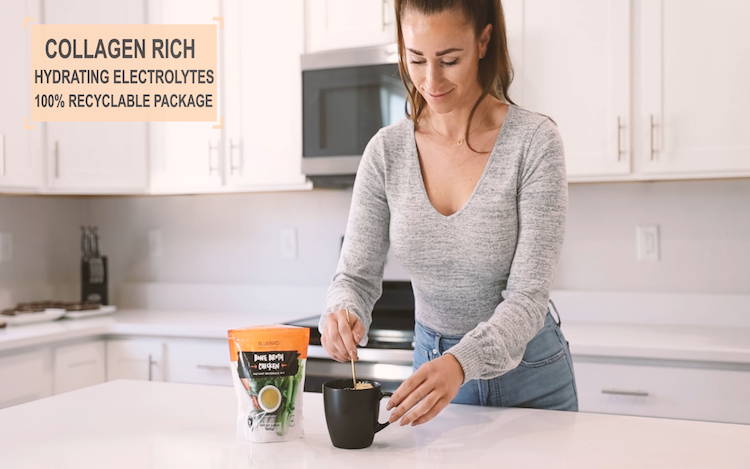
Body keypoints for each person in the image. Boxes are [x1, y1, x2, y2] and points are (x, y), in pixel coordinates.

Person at [319, 0, 577, 427]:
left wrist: (461, 363)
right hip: (431, 377)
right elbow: (355, 277)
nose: (430, 80)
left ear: (483, 41)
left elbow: (529, 297)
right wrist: (344, 310)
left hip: (530, 380)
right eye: (416, 59)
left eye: (449, 60)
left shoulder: (534, 142)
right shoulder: (386, 152)